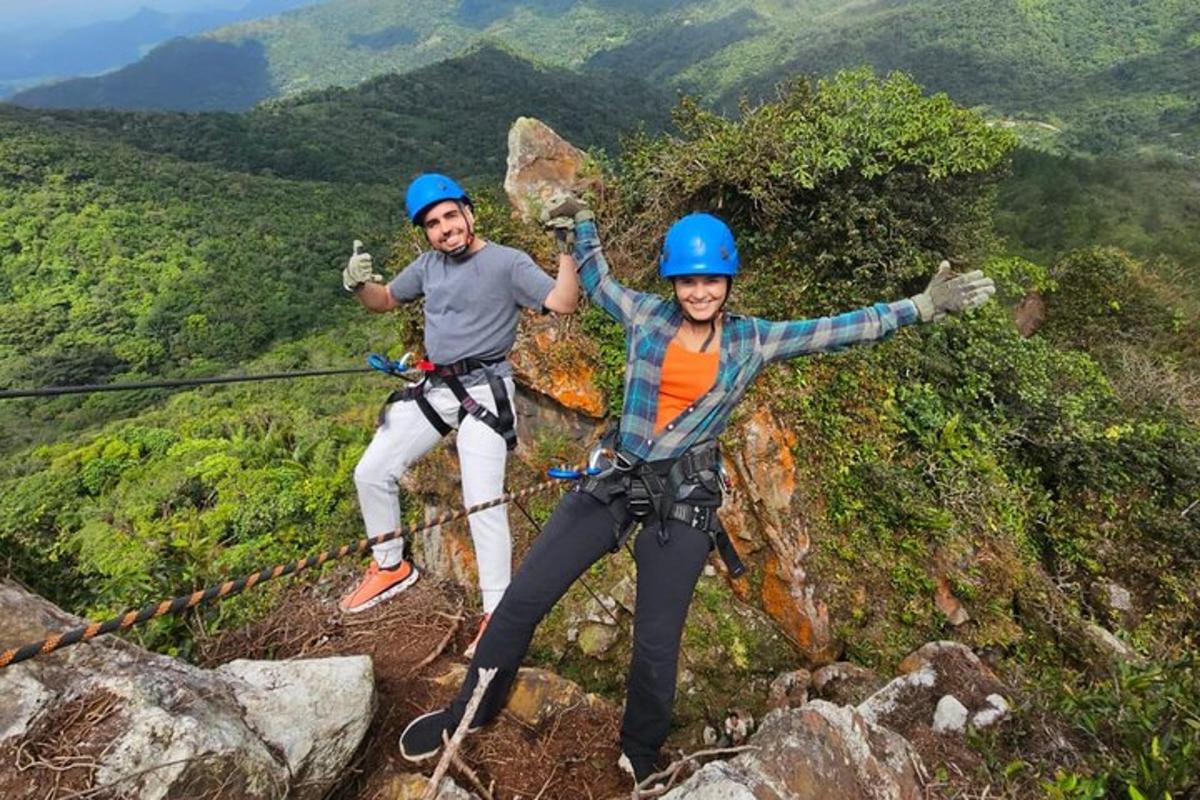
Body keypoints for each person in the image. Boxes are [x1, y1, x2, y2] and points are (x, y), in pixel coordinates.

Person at [397, 196, 995, 781]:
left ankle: (640, 754)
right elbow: (599, 282)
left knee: (657, 642)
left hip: (683, 499)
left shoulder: (751, 340)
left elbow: (838, 330)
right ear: (673, 283)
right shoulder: (647, 317)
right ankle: (466, 716)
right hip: (615, 477)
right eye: (687, 282)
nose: (699, 293)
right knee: (521, 603)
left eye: (711, 281)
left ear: (728, 282)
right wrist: (581, 226)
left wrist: (919, 305)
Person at [339, 173, 579, 659]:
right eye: (433, 223)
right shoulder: (428, 267)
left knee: (482, 501)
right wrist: (359, 284)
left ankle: (498, 612)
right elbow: (384, 301)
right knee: (371, 471)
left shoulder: (506, 262)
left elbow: (562, 302)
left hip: (485, 391)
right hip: (436, 386)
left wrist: (567, 253)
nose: (445, 228)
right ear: (425, 232)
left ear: (469, 213)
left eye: (451, 215)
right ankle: (390, 567)